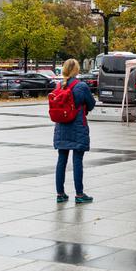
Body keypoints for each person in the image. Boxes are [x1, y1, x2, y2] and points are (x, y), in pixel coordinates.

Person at [53, 59, 97, 203]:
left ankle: (60, 194)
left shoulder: (59, 85)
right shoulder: (81, 86)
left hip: (61, 127)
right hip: (77, 126)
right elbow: (91, 104)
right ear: (76, 70)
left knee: (61, 160)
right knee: (77, 160)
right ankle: (79, 194)